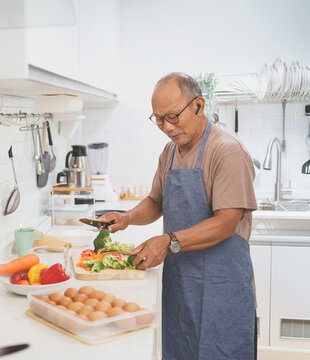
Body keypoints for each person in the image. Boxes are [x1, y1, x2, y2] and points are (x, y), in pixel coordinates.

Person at [99, 72, 257, 360]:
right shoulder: (170, 152)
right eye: (158, 119)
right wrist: (127, 217)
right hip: (181, 284)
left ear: (198, 106)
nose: (166, 127)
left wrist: (167, 241)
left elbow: (226, 223)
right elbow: (156, 201)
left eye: (172, 116)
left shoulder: (227, 152)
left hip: (222, 287)